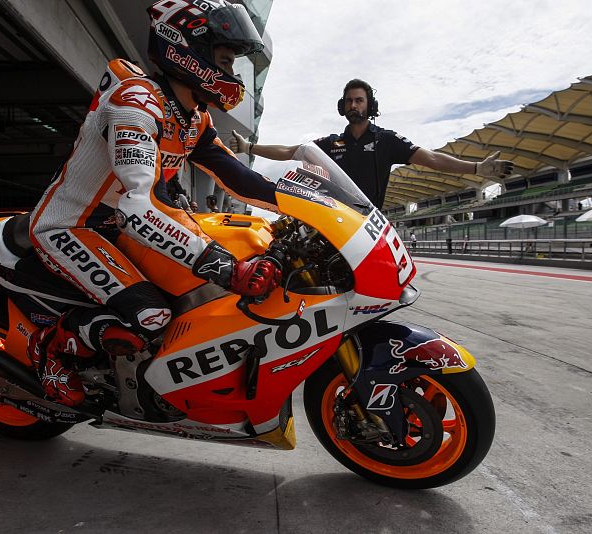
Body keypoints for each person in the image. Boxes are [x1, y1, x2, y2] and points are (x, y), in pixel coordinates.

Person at [27, 0, 283, 407]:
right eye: (224, 60)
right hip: (72, 227)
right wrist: (227, 267)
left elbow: (239, 178)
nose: (231, 74)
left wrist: (305, 205)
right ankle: (52, 347)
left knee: (193, 299)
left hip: (121, 230)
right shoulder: (136, 102)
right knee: (152, 316)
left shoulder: (193, 118)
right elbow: (136, 206)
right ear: (189, 51)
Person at [228, 79, 514, 209]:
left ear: (370, 105)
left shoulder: (387, 140)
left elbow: (433, 159)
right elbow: (290, 151)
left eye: (359, 100)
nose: (354, 104)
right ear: (343, 106)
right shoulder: (329, 143)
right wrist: (249, 148)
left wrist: (476, 168)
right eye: (349, 100)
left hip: (370, 225)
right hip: (335, 220)